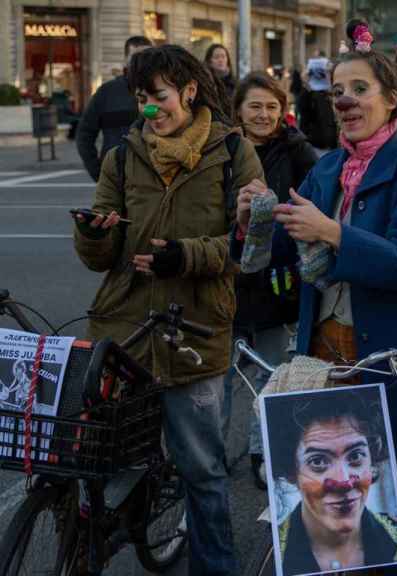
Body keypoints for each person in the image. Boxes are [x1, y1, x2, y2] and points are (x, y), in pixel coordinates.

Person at [233, 19, 397, 575]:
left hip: (396, 356)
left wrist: (334, 233)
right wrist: (258, 221)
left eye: (359, 88)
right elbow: (292, 262)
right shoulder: (326, 168)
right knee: (335, 510)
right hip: (326, 354)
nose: (345, 99)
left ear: (391, 100)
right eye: (338, 90)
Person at [73, 44, 265, 575]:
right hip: (125, 330)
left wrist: (187, 256)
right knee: (97, 459)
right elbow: (100, 257)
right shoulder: (121, 155)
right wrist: (93, 233)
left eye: (158, 97)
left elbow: (252, 247)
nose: (150, 111)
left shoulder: (232, 154)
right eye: (141, 99)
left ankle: (215, 568)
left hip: (195, 333)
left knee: (202, 470)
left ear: (188, 91)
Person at [223, 71, 318, 490]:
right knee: (219, 375)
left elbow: (315, 201)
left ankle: (262, 451)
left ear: (283, 111)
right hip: (225, 274)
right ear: (238, 110)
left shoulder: (298, 152)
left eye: (272, 107)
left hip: (276, 278)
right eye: (255, 106)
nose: (263, 115)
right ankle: (212, 455)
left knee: (271, 371)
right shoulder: (220, 150)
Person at [267, 390, 397, 572]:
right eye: (318, 461)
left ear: (372, 457)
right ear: (292, 471)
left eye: (355, 455)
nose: (344, 482)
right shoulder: (272, 561)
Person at [75, 36, 153, 182]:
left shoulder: (162, 93)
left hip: (153, 177)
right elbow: (84, 134)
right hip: (117, 176)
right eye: (136, 56)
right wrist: (98, 173)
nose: (142, 62)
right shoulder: (107, 92)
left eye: (148, 57)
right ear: (125, 60)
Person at [298, 56, 340, 152]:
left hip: (329, 145)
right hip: (317, 145)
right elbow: (305, 117)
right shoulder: (310, 96)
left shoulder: (331, 95)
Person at [204, 43, 236, 110]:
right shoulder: (205, 83)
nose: (220, 60)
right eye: (216, 57)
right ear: (209, 61)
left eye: (223, 56)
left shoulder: (235, 84)